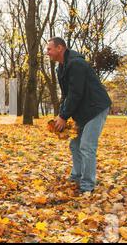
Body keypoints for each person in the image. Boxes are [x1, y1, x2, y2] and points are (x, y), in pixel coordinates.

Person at [47, 37, 112, 196]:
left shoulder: (76, 64)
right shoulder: (61, 67)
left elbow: (76, 93)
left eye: (49, 49)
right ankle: (76, 176)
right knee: (75, 145)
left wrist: (64, 116)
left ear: (60, 48)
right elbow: (66, 94)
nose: (47, 52)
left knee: (87, 146)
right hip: (83, 110)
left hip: (95, 108)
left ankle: (87, 185)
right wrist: (61, 114)